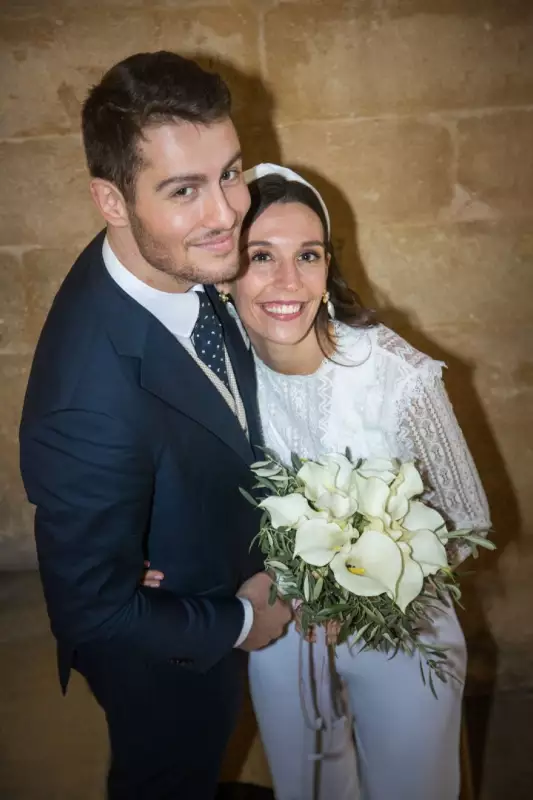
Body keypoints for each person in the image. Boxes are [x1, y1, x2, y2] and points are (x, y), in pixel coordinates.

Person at [145, 163, 490, 798]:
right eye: (260, 256)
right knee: (309, 785)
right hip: (281, 629)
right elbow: (183, 485)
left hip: (403, 630)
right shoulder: (216, 375)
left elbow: (466, 521)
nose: (286, 281)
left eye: (307, 255)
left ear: (329, 267)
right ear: (227, 272)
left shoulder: (396, 376)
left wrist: (358, 591)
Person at [18, 56, 291, 800]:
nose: (227, 212)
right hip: (171, 655)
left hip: (210, 563)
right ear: (111, 199)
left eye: (230, 172)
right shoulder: (87, 399)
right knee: (171, 774)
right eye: (183, 190)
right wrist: (240, 621)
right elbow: (95, 611)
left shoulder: (173, 258)